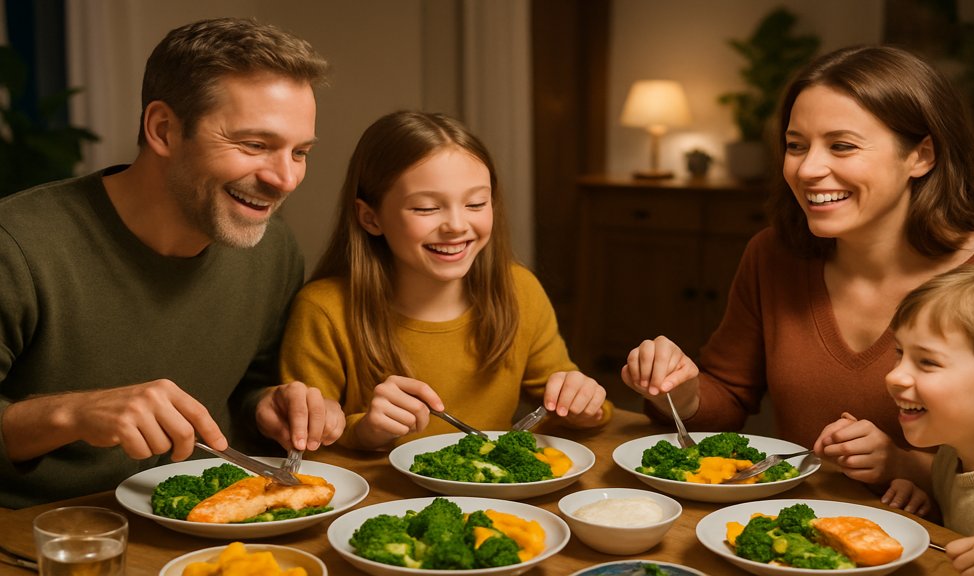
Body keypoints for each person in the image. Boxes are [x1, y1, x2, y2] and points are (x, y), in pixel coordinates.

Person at [620, 45, 974, 487]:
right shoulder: (773, 255)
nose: (808, 168)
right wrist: (682, 392)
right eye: (796, 145)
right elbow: (730, 398)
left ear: (921, 156)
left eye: (842, 146)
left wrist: (910, 468)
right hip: (791, 538)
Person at [0, 17, 343, 508]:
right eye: (254, 145)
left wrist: (270, 405)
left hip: (201, 526)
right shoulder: (15, 244)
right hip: (40, 537)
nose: (285, 178)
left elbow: (247, 389)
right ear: (163, 129)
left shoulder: (273, 249)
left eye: (300, 152)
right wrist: (71, 414)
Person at [280, 110, 610, 450]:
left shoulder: (519, 289)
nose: (456, 225)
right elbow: (306, 442)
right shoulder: (323, 309)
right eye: (426, 208)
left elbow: (571, 407)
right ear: (370, 217)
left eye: (476, 203)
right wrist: (366, 431)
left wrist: (583, 404)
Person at [880, 262, 974, 575]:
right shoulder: (950, 456)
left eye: (927, 362)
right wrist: (927, 500)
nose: (895, 375)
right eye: (899, 352)